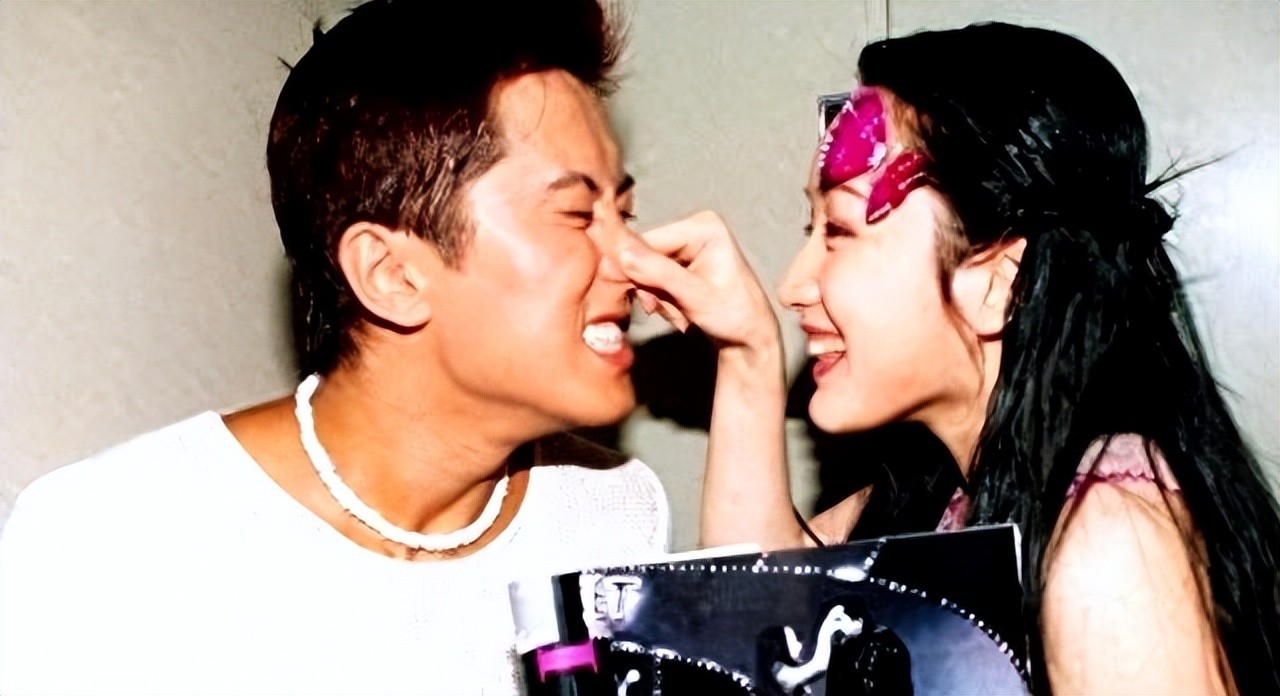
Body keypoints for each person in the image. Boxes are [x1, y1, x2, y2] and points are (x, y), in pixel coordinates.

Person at [0, 1, 671, 694]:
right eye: (575, 215)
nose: (637, 258)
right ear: (392, 275)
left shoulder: (616, 511)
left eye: (625, 213)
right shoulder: (109, 539)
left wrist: (738, 370)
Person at [615, 21, 1280, 696]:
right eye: (811, 228)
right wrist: (747, 354)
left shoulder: (1111, 546)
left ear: (998, 285)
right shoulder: (947, 490)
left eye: (838, 231)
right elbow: (762, 614)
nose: (792, 285)